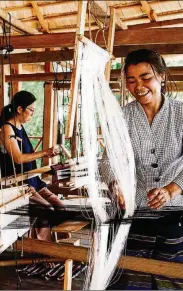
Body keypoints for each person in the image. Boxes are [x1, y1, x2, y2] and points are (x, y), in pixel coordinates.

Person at [102, 49, 183, 290]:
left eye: (146, 77)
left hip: (176, 213)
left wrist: (171, 189)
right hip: (133, 212)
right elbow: (108, 161)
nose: (139, 86)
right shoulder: (121, 117)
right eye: (131, 80)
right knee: (132, 279)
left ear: (161, 76)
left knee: (170, 278)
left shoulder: (180, 114)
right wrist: (115, 183)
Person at [0, 90, 64, 209]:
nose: (32, 114)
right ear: (19, 109)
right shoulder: (7, 128)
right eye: (31, 110)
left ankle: (47, 227)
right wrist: (44, 152)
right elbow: (18, 158)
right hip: (17, 183)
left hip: (32, 180)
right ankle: (39, 227)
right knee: (47, 209)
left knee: (60, 207)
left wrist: (45, 155)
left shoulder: (20, 127)